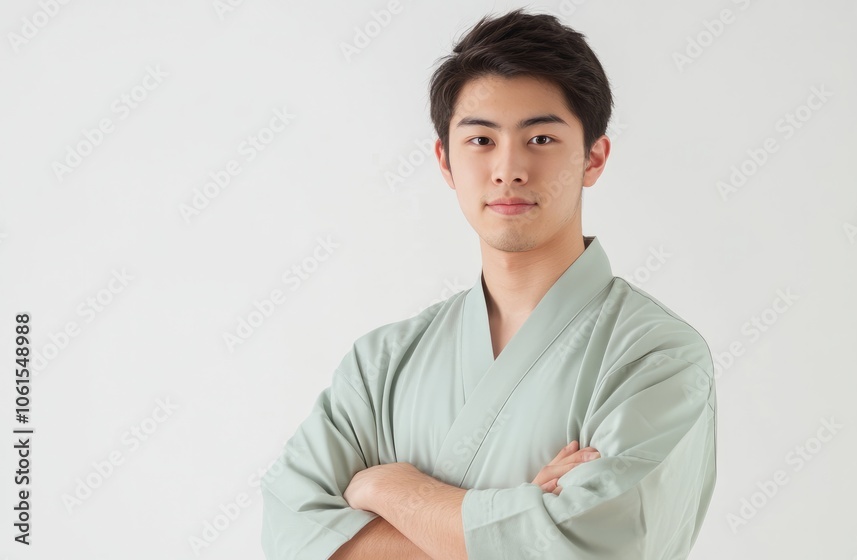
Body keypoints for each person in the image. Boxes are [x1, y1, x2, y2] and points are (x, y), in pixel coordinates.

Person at [261, 7, 717, 560]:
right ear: (446, 161)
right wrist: (521, 518)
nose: (508, 169)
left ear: (594, 156)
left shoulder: (655, 356)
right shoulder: (381, 364)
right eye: (480, 140)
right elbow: (291, 539)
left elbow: (594, 549)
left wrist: (388, 489)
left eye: (541, 138)